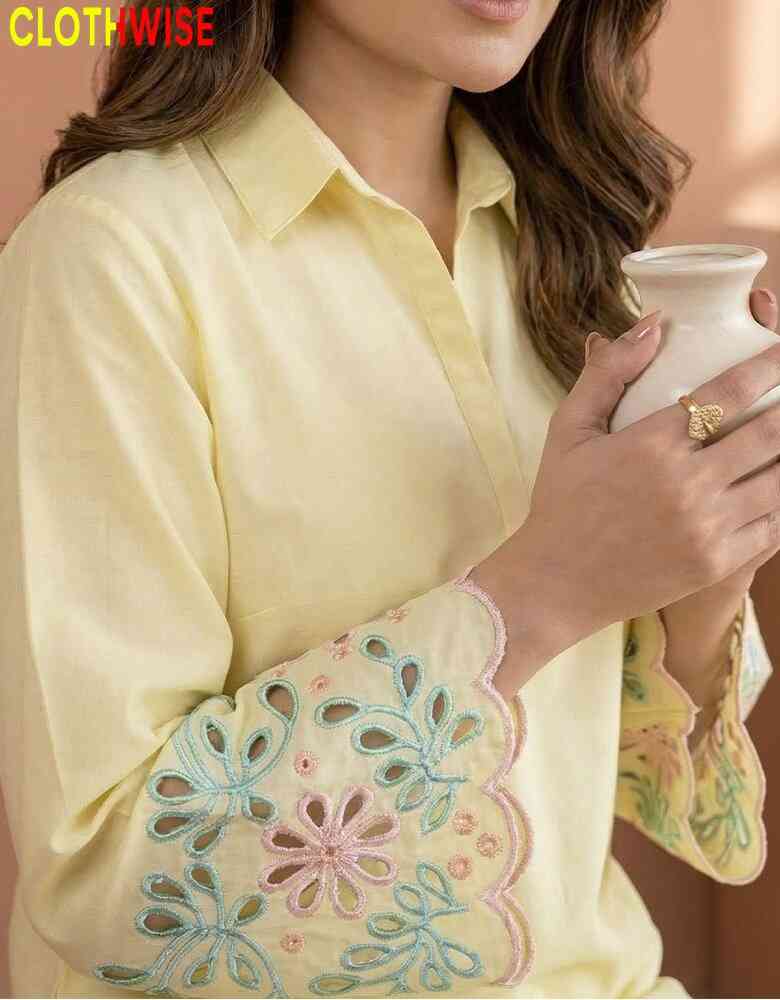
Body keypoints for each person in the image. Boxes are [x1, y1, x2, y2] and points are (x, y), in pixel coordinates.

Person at [0, 0, 776, 996]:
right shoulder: (113, 258)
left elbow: (624, 774)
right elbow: (108, 877)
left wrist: (711, 550)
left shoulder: (565, 240)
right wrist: (539, 594)